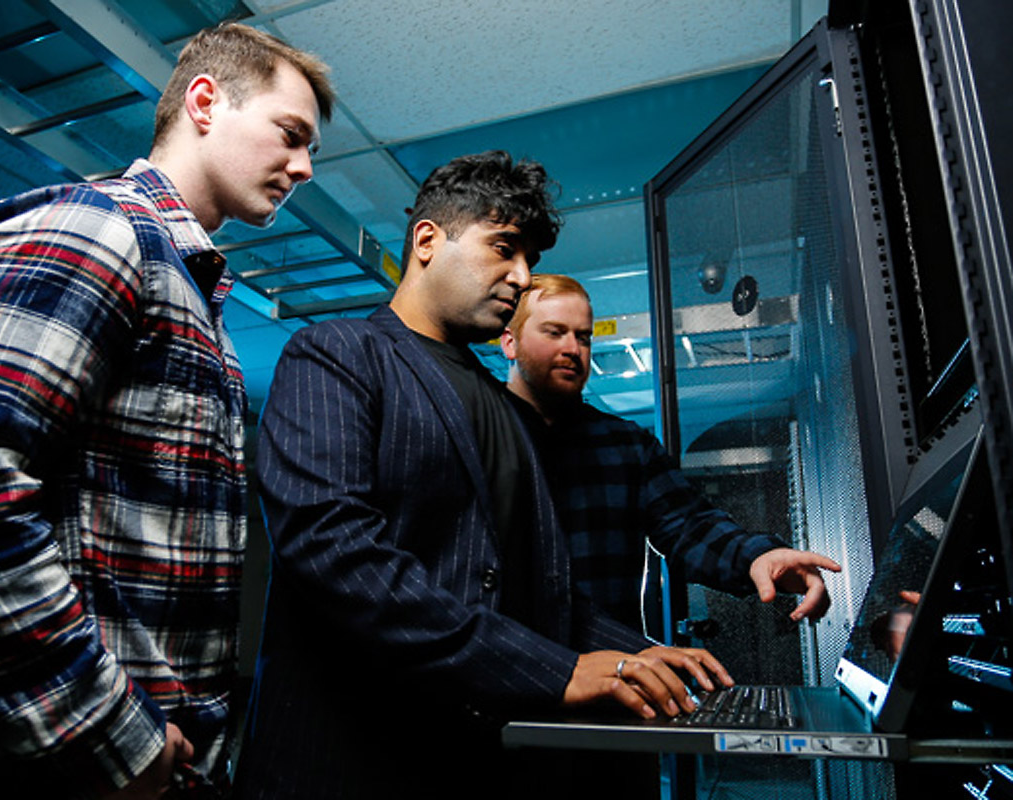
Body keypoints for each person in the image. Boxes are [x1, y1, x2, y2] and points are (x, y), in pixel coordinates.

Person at [0, 23, 333, 799]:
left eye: (310, 148)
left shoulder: (185, 286)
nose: (305, 167)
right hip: (44, 769)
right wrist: (106, 732)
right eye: (290, 135)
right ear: (205, 103)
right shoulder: (96, 227)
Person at [234, 151, 733, 800]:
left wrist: (631, 653)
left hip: (464, 763)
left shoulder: (501, 406)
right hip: (345, 764)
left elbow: (537, 585)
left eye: (529, 258)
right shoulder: (338, 354)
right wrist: (554, 671)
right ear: (426, 241)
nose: (521, 276)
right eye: (503, 248)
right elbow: (336, 553)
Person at [500, 273, 842, 632]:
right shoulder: (475, 435)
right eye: (554, 332)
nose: (573, 348)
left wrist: (760, 556)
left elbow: (690, 528)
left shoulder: (626, 445)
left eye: (583, 337)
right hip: (504, 662)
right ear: (510, 343)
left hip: (613, 660)